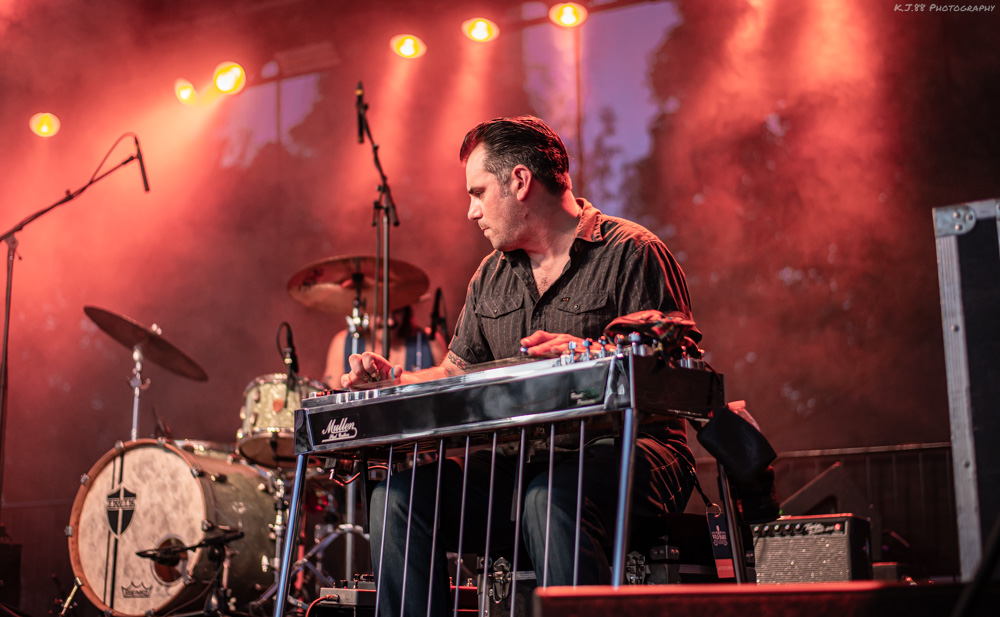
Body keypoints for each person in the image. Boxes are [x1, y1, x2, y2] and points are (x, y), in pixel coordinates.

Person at [342, 116, 698, 617]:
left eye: (478, 192)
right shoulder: (490, 276)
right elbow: (455, 375)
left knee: (548, 497)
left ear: (520, 181)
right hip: (524, 462)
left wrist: (591, 353)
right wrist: (393, 379)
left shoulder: (633, 252)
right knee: (396, 499)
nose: (471, 211)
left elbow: (679, 365)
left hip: (629, 451)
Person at [323, 305, 447, 388]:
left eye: (398, 311)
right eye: (382, 312)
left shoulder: (431, 341)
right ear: (365, 311)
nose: (390, 321)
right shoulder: (342, 342)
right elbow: (329, 399)